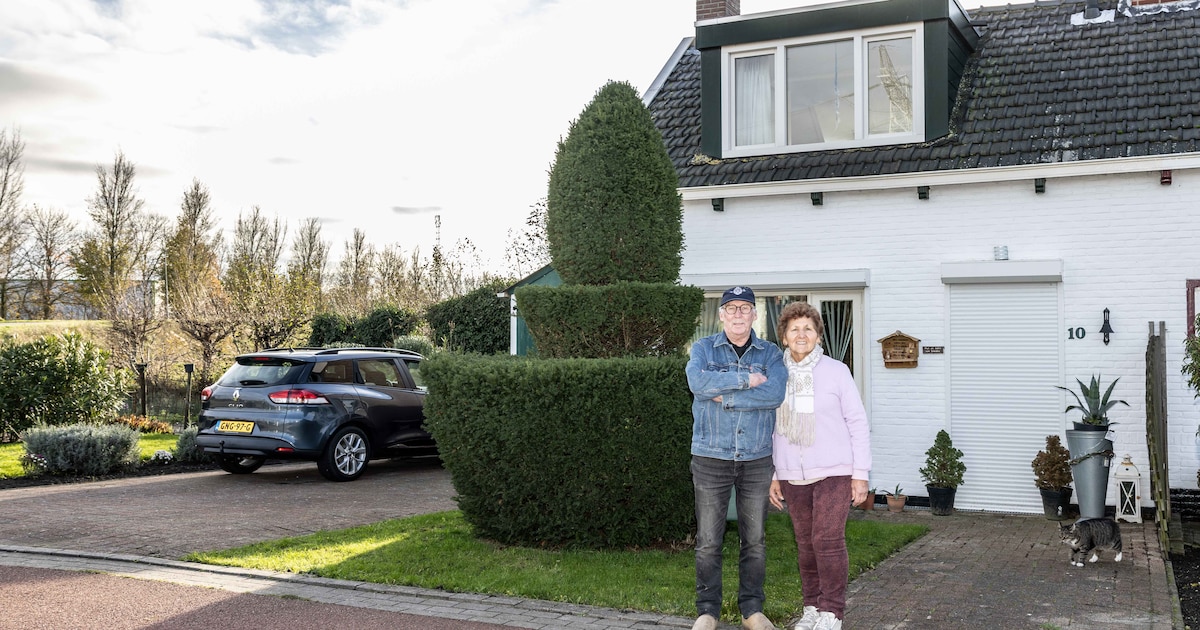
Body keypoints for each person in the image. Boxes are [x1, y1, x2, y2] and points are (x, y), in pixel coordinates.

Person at [685, 286, 787, 630]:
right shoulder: (702, 348)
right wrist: (747, 380)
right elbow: (698, 382)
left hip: (756, 459)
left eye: (745, 308)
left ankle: (751, 611)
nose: (739, 314)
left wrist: (726, 396)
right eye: (732, 308)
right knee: (709, 541)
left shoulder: (771, 353)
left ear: (755, 315)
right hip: (710, 456)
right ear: (721, 315)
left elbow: (774, 393)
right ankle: (707, 612)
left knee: (754, 540)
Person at [767, 302, 870, 630]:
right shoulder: (775, 375)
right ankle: (811, 607)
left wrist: (860, 474)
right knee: (806, 544)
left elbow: (857, 422)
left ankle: (832, 612)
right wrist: (774, 474)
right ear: (784, 336)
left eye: (807, 329)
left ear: (817, 335)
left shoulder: (837, 371)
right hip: (790, 475)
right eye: (794, 329)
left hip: (834, 472)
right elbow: (771, 428)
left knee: (827, 540)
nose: (801, 334)